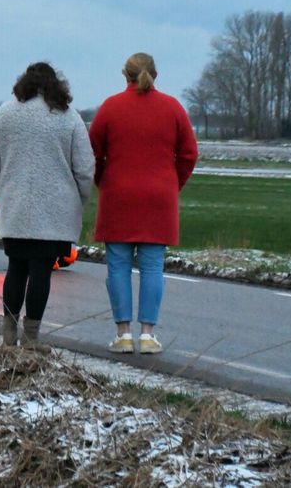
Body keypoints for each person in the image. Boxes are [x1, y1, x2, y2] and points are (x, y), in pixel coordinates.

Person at [90, 53, 198, 355]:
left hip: (118, 196)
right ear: (155, 74)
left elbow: (92, 153)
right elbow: (189, 154)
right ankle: (148, 335)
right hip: (159, 199)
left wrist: (103, 180)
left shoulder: (111, 107)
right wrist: (172, 182)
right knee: (152, 267)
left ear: (125, 74)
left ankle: (123, 333)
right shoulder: (173, 108)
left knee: (119, 267)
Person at [0, 63, 94, 351]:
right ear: (56, 85)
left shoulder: (4, 113)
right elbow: (84, 168)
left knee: (16, 268)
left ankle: (8, 334)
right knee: (41, 271)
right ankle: (32, 337)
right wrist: (78, 199)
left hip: (15, 205)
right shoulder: (69, 119)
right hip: (55, 209)